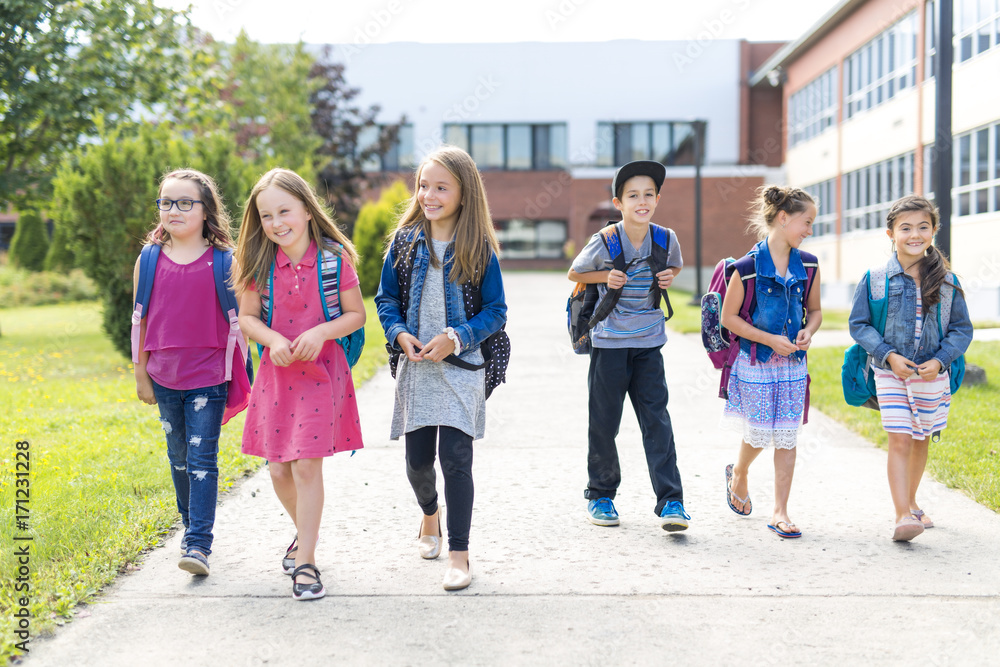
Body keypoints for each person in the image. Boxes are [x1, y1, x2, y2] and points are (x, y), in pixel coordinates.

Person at [375, 146, 507, 592]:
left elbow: (496, 311)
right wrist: (398, 333)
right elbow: (386, 299)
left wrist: (457, 336)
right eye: (423, 186)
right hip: (417, 372)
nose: (428, 195)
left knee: (456, 460)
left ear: (464, 193)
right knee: (417, 464)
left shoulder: (479, 249)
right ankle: (430, 514)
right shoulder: (404, 242)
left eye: (441, 188)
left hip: (462, 369)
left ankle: (460, 555)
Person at [234, 168, 366, 600]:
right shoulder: (259, 264)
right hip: (278, 373)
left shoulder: (334, 260)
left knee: (307, 465)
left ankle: (306, 562)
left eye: (284, 211)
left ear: (308, 210)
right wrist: (273, 339)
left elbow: (356, 315)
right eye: (266, 215)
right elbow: (248, 318)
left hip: (322, 373)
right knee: (278, 469)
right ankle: (304, 532)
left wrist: (322, 332)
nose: (276, 223)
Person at [567, 160, 689, 531]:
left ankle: (671, 501)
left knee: (657, 422)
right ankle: (601, 496)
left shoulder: (665, 238)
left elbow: (675, 266)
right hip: (609, 345)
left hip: (649, 344)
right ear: (619, 203)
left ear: (657, 199)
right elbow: (575, 272)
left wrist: (668, 277)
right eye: (633, 195)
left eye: (649, 195)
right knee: (604, 424)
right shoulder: (605, 239)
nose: (642, 201)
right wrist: (606, 275)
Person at [848, 195, 972, 542]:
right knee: (900, 438)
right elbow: (859, 325)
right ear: (891, 234)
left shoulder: (948, 281)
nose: (914, 235)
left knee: (920, 440)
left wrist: (940, 360)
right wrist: (887, 355)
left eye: (923, 227)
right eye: (905, 228)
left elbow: (962, 329)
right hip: (890, 373)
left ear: (934, 230)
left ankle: (913, 502)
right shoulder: (875, 279)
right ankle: (902, 514)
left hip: (932, 376)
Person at [132, 168, 237, 577]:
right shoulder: (149, 259)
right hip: (163, 376)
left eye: (185, 202)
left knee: (202, 458)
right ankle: (189, 525)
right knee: (178, 457)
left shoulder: (224, 261)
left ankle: (198, 544)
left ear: (205, 209)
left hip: (209, 376)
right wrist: (140, 374)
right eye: (166, 202)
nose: (173, 210)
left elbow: (240, 322)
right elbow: (139, 321)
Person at [721, 185, 821, 540]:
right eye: (806, 222)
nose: (810, 230)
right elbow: (729, 318)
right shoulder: (746, 268)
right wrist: (768, 339)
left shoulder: (809, 265)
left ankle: (780, 511)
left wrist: (808, 330)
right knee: (760, 433)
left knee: (787, 437)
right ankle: (739, 472)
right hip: (756, 363)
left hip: (793, 364)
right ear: (783, 218)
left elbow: (815, 310)